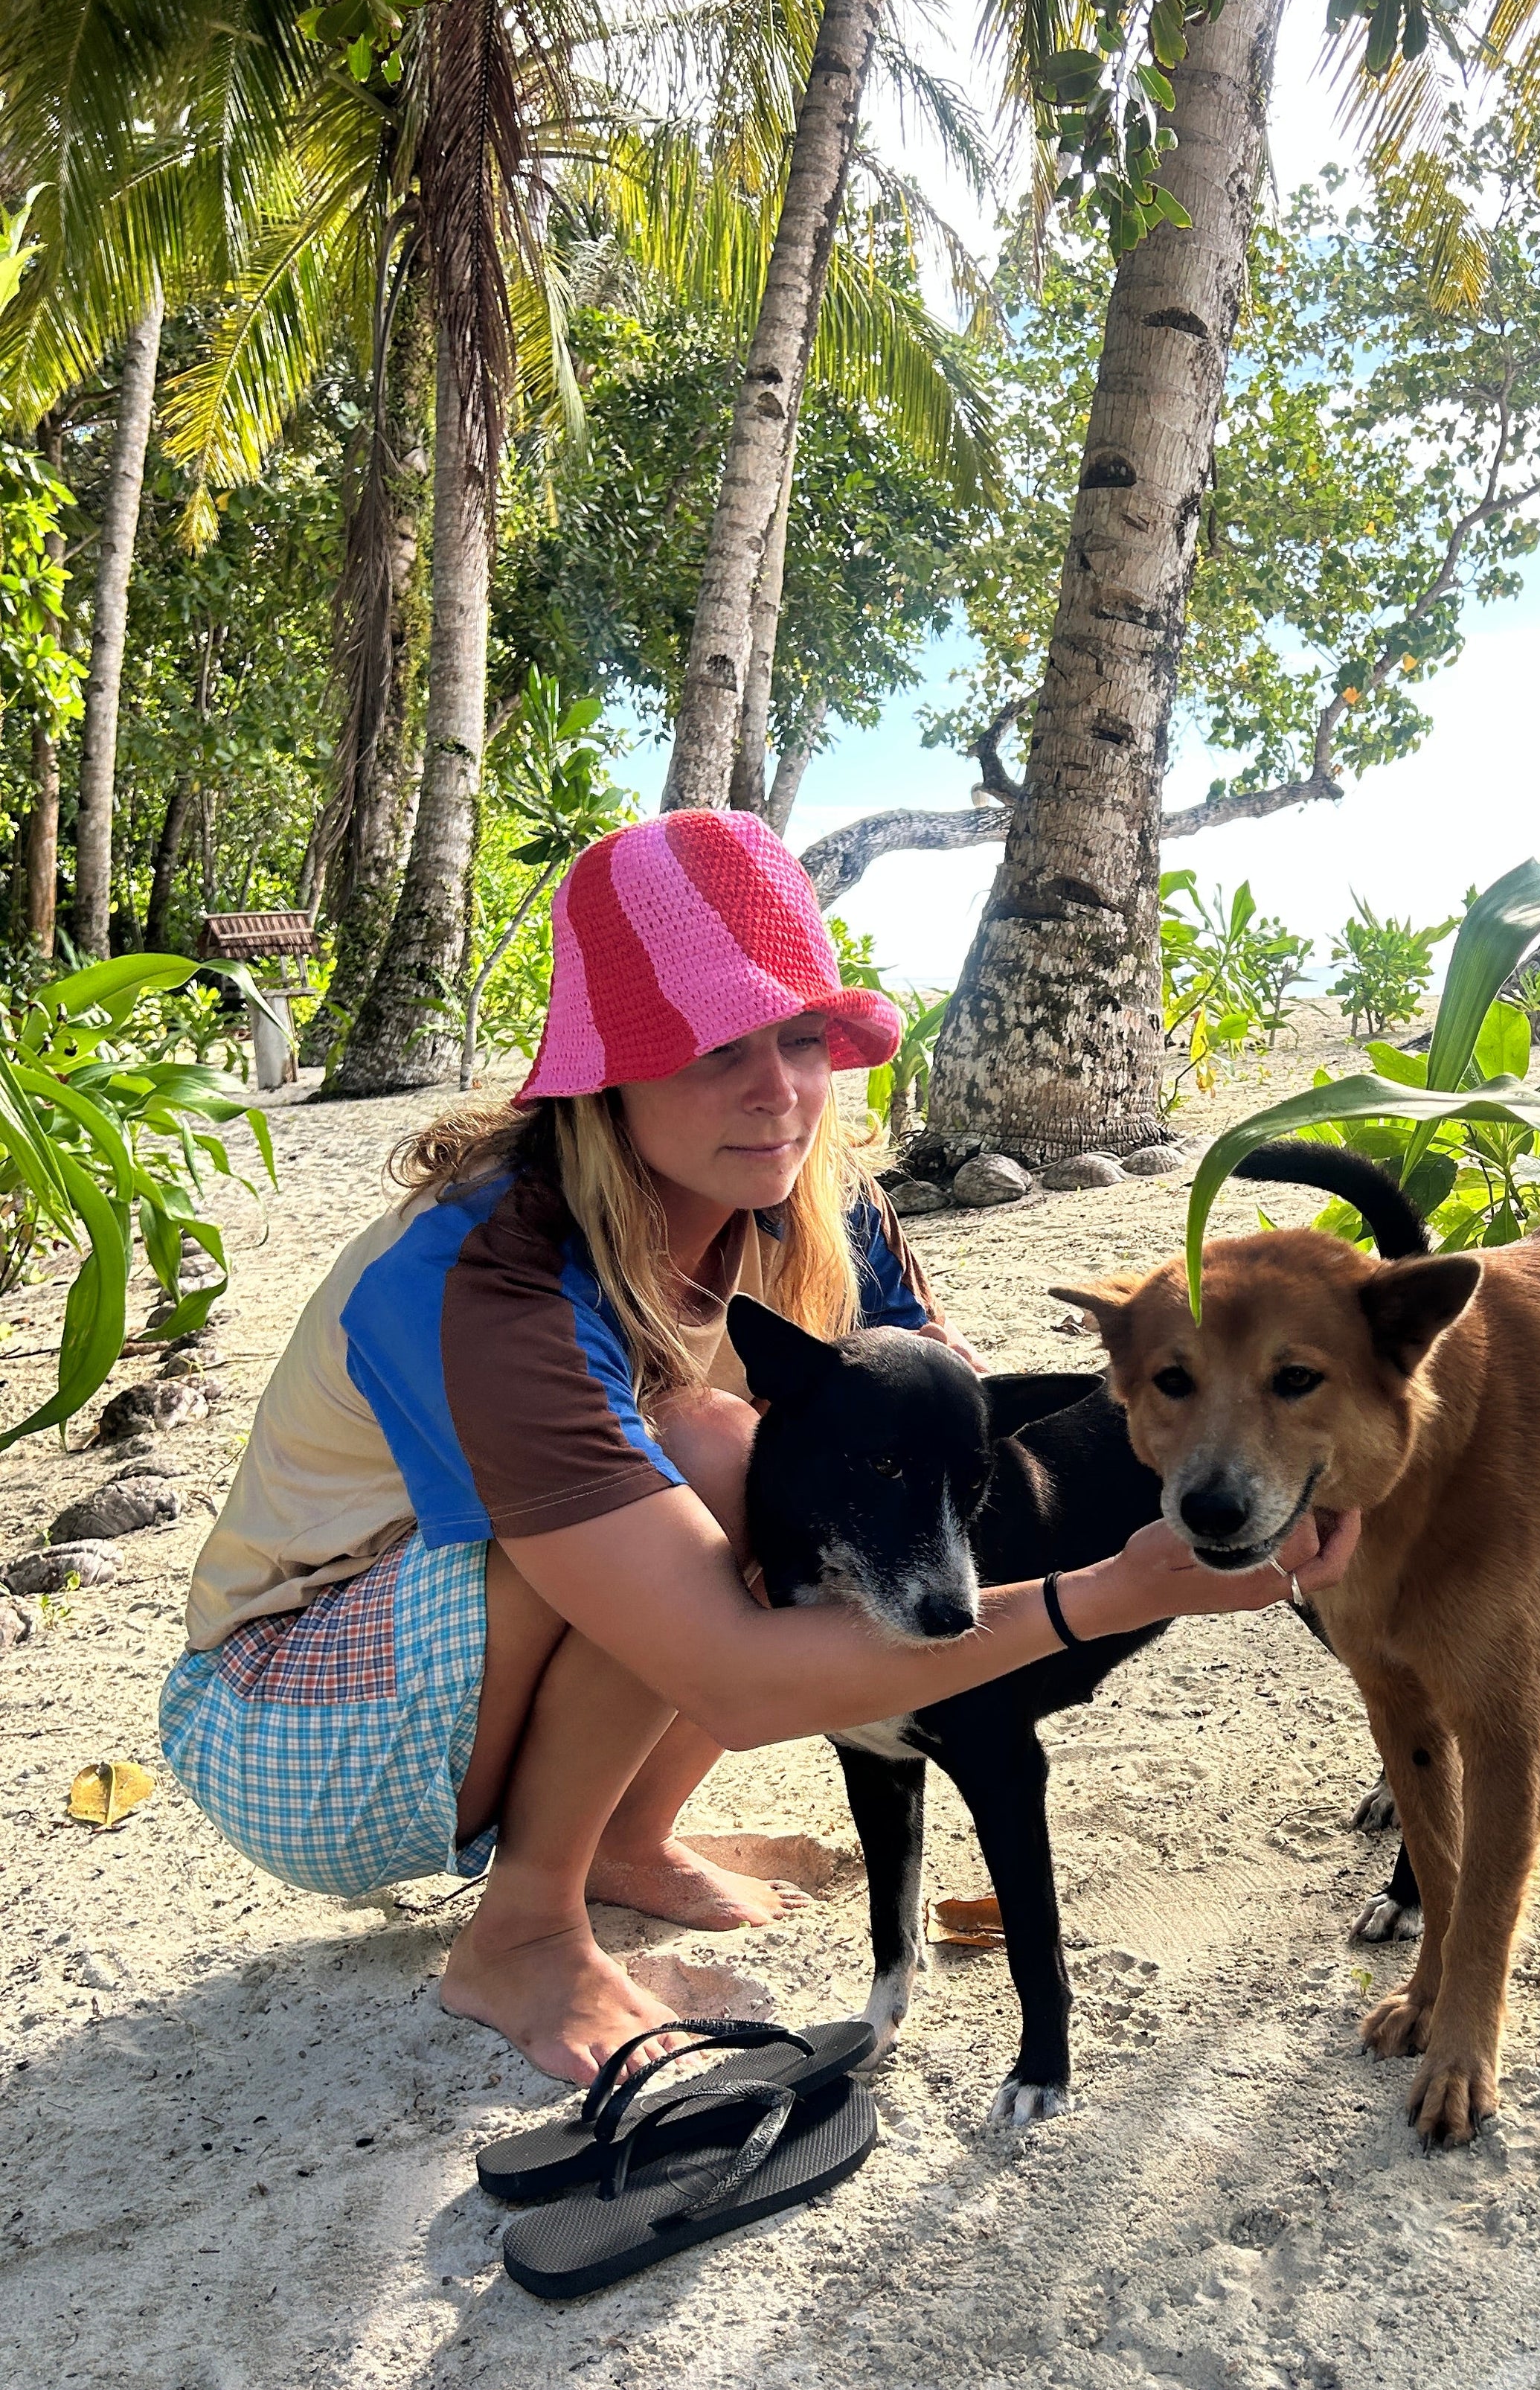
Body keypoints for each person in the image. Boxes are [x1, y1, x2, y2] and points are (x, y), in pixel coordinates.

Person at [160, 811, 1357, 2085]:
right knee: (714, 1449)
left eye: (800, 1040)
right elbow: (731, 1671)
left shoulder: (812, 1193)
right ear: (604, 1071)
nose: (776, 1090)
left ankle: (625, 1833)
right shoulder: (492, 1273)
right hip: (295, 1726)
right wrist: (1102, 1596)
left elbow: (934, 1424)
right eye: (709, 1048)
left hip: (471, 1654)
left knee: (803, 1457)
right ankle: (522, 1931)